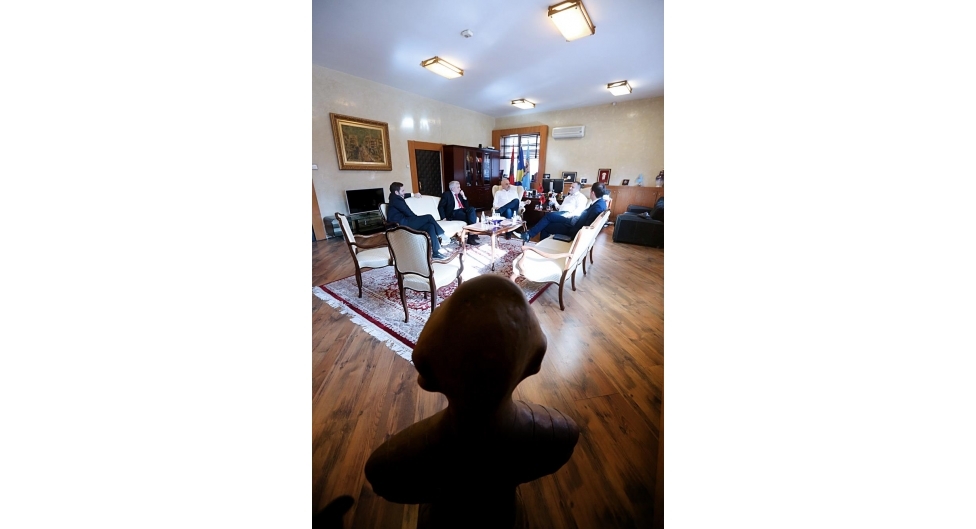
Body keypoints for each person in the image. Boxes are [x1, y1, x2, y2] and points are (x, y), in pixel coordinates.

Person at [521, 182, 608, 242]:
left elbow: (584, 219)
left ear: (593, 193)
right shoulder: (600, 203)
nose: (570, 188)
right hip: (571, 221)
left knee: (549, 216)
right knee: (546, 224)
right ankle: (538, 244)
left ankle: (529, 234)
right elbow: (561, 208)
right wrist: (555, 202)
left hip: (572, 224)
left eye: (572, 187)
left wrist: (570, 217)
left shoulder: (594, 205)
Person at [387, 182, 448, 256]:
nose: (404, 192)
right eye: (403, 191)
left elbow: (404, 195)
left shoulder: (394, 197)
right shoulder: (397, 200)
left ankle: (436, 252)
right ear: (396, 192)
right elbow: (408, 212)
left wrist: (413, 194)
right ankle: (441, 234)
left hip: (404, 222)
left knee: (430, 226)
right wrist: (418, 219)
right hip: (401, 225)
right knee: (428, 217)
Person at [438, 181, 480, 245]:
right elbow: (440, 206)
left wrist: (463, 196)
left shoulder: (460, 195)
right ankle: (472, 236)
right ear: (453, 188)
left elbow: (466, 206)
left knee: (472, 209)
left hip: (462, 210)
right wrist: (443, 217)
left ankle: (472, 234)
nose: (460, 189)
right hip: (453, 213)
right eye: (458, 187)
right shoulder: (446, 194)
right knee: (469, 217)